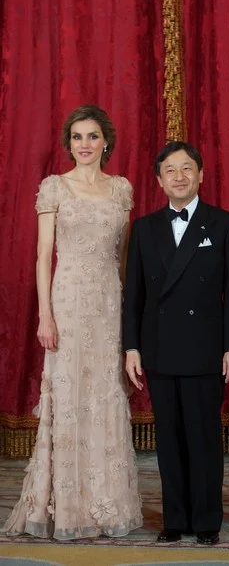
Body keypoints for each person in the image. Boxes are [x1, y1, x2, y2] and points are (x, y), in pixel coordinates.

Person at [2, 105, 143, 539]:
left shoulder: (122, 189)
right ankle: (63, 505)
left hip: (108, 303)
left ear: (106, 142)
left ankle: (104, 503)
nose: (84, 144)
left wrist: (127, 312)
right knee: (67, 397)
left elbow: (122, 257)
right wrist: (46, 314)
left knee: (104, 396)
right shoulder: (54, 188)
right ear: (69, 144)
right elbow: (44, 256)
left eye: (92, 136)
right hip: (66, 302)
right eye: (77, 137)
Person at [123, 141, 229, 545]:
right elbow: (134, 295)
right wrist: (131, 347)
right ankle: (174, 519)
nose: (179, 176)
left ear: (201, 175)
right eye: (170, 171)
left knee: (203, 437)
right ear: (159, 181)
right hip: (158, 347)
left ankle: (207, 519)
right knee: (170, 439)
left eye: (187, 168)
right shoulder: (143, 228)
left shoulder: (226, 225)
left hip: (205, 347)